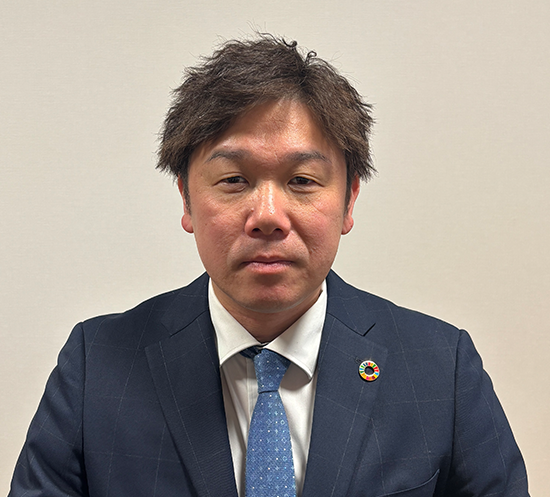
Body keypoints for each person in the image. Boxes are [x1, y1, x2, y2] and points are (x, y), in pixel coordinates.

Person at [9, 34, 529, 497]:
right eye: (234, 180)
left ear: (349, 201)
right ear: (186, 200)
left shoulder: (440, 367)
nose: (267, 217)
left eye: (302, 181)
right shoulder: (97, 365)